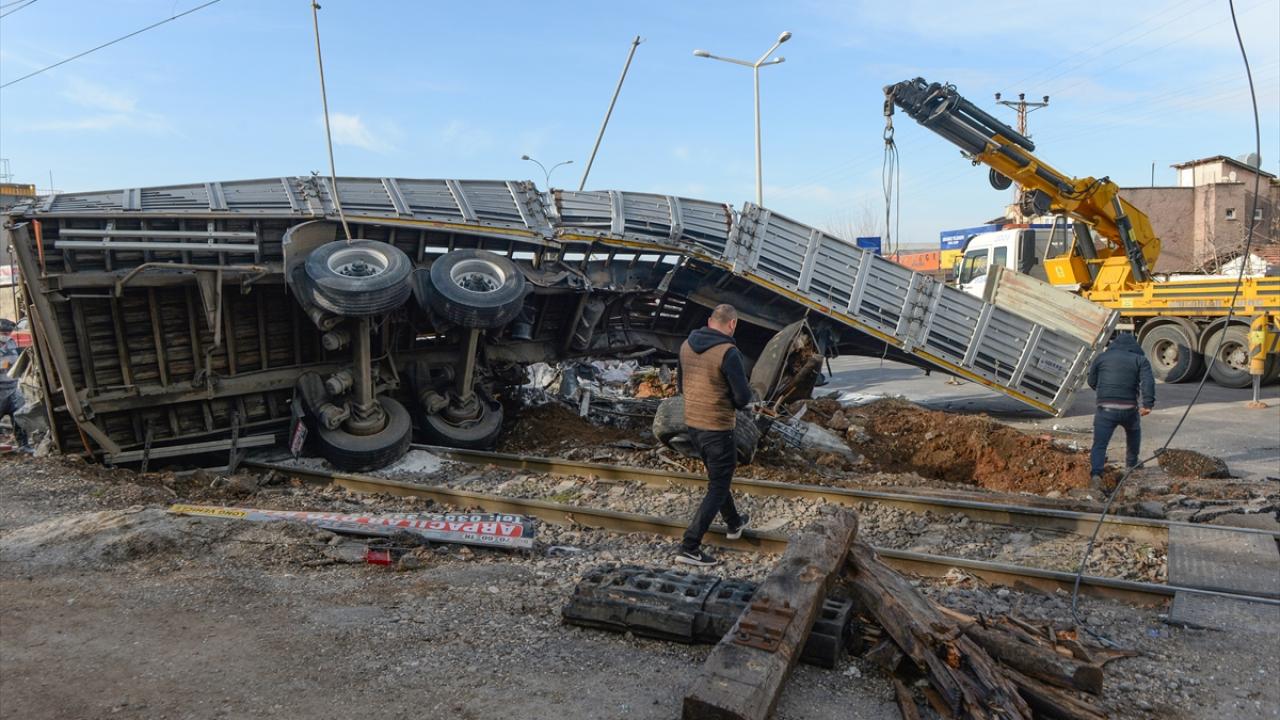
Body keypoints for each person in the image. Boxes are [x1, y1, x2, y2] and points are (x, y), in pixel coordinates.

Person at [675, 304, 753, 566]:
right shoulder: (727, 352)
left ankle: (733, 523)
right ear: (732, 324)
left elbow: (681, 385)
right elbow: (743, 398)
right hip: (718, 428)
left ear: (710, 321)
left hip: (693, 425)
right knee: (718, 485)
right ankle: (690, 546)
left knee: (718, 478)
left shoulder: (687, 344)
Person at [1087, 333, 1155, 487]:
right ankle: (1131, 464)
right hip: (1129, 409)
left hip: (1105, 409)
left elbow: (1091, 381)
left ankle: (1096, 474)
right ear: (1134, 347)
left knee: (1100, 444)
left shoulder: (1102, 357)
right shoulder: (1140, 359)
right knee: (1134, 432)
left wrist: (1103, 392)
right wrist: (1147, 405)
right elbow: (1148, 383)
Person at [0, 318, 25, 448]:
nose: (6, 336)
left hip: (13, 387)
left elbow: (16, 358)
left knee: (19, 417)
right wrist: (5, 364)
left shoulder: (12, 342)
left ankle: (23, 445)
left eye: (8, 333)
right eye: (3, 333)